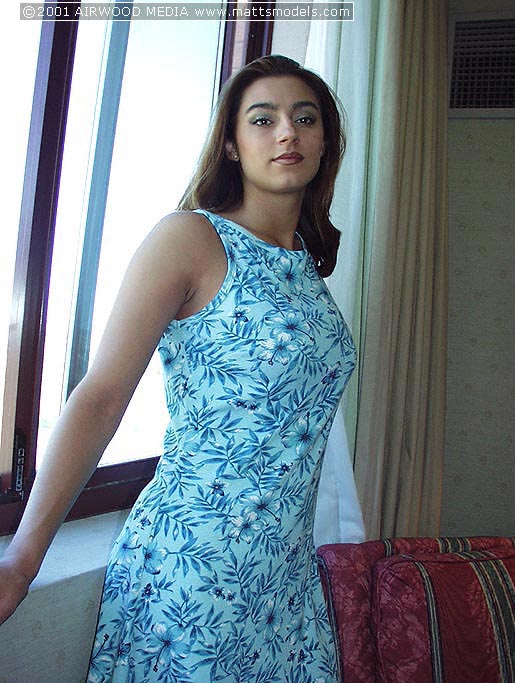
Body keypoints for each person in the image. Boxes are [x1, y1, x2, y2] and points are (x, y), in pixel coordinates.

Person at [0, 54, 356, 682]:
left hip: (286, 579)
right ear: (231, 144)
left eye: (305, 119)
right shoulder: (191, 238)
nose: (287, 133)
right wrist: (21, 562)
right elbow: (100, 396)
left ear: (325, 142)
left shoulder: (306, 263)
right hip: (194, 570)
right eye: (263, 119)